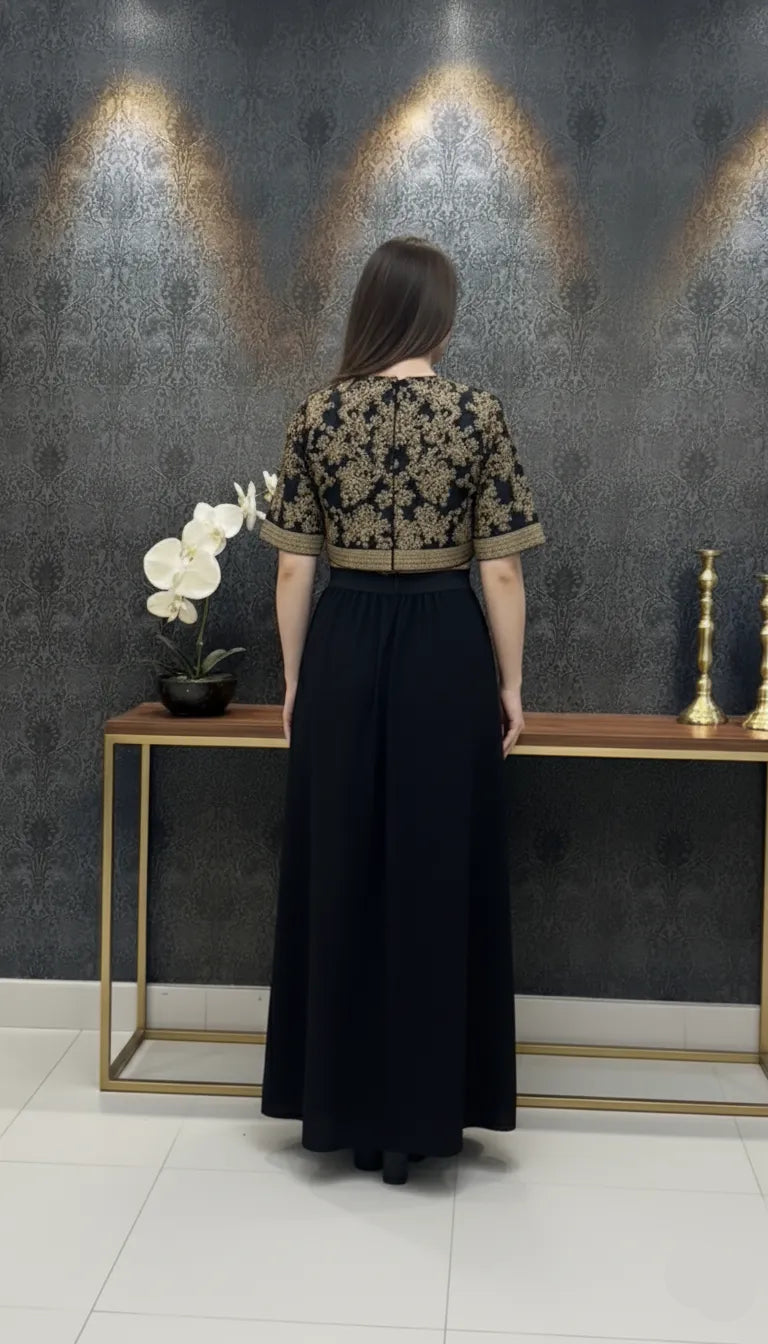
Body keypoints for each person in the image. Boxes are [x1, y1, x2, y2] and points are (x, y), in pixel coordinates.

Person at [260, 236, 544, 1185]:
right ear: (439, 315)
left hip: (343, 641)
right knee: (435, 864)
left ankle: (343, 1107)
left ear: (370, 309)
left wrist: (296, 681)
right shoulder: (476, 412)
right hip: (442, 647)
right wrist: (510, 684)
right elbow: (498, 565)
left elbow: (295, 564)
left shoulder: (317, 412)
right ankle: (429, 1115)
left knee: (342, 862)